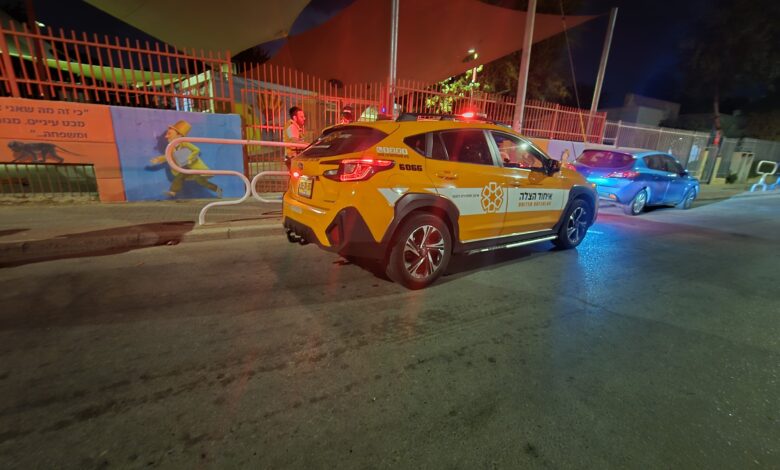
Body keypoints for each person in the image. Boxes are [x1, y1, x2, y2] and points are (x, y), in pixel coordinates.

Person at [149, 120, 222, 198]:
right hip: (187, 168)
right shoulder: (173, 147)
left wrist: (190, 158)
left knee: (201, 182)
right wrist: (159, 159)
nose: (166, 137)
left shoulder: (184, 144)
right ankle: (173, 192)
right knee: (182, 176)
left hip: (196, 169)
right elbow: (170, 156)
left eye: (169, 134)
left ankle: (218, 189)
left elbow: (197, 150)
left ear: (179, 135)